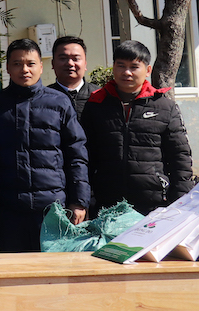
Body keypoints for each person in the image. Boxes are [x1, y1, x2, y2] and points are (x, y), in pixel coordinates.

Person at [0, 39, 90, 252]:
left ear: (41, 67)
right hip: (9, 209)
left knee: (54, 269)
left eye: (31, 63)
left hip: (53, 209)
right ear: (7, 68)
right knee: (15, 268)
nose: (24, 69)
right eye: (17, 64)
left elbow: (76, 154)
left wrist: (79, 201)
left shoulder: (59, 102)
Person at [81, 40, 194, 216]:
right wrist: (86, 198)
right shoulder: (96, 104)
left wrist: (180, 200)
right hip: (107, 204)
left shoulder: (164, 106)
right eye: (121, 66)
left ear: (147, 70)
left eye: (134, 67)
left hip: (154, 205)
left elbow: (180, 157)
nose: (127, 72)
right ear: (113, 67)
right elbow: (85, 156)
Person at [48, 36, 99, 118]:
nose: (70, 63)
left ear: (85, 64)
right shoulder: (43, 98)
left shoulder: (100, 97)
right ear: (53, 64)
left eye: (76, 59)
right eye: (63, 58)